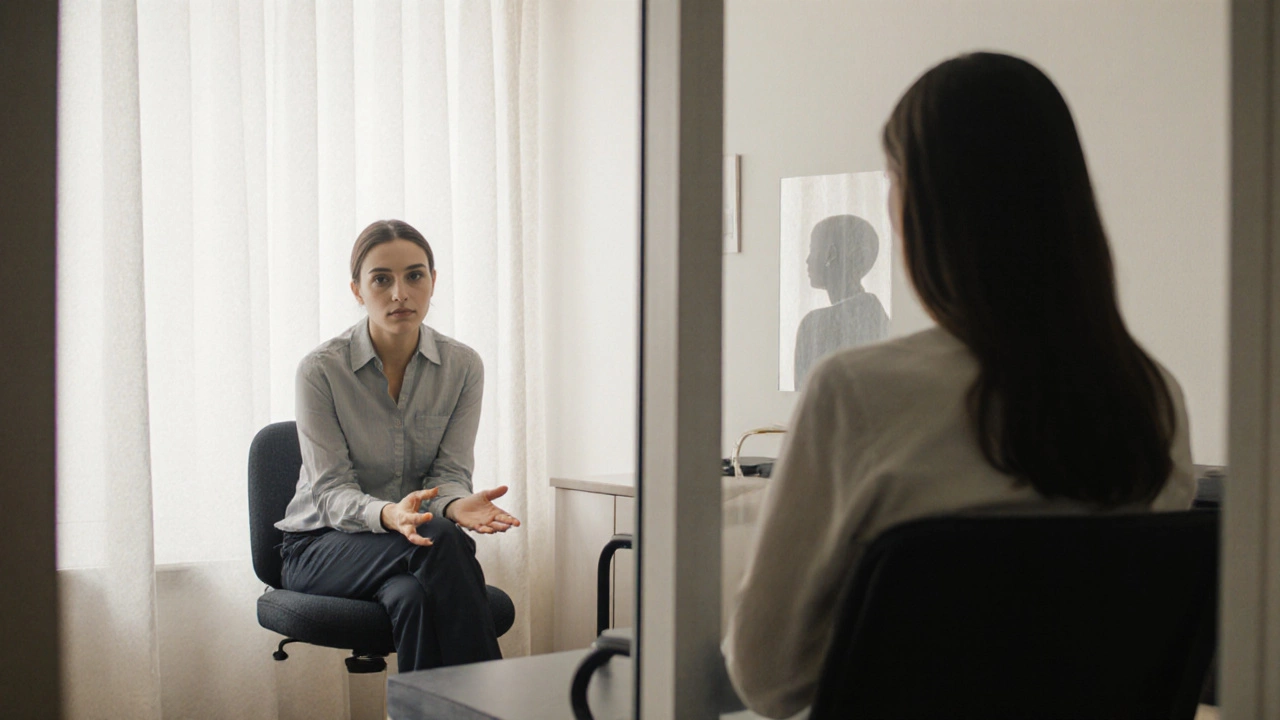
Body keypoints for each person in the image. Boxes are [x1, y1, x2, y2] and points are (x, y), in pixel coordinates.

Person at [724, 52, 1196, 719]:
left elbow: (767, 677)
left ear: (927, 206)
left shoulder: (857, 393)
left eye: (894, 178)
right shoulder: (1153, 399)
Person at [275, 219, 521, 673]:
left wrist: (453, 505)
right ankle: (493, 705)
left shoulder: (463, 366)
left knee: (411, 597)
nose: (400, 293)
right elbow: (329, 495)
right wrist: (392, 515)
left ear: (432, 281)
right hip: (320, 546)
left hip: (415, 545)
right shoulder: (320, 370)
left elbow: (448, 474)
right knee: (437, 538)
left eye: (414, 275)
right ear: (357, 290)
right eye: (381, 279)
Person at [793, 213, 889, 388]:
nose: (807, 260)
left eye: (813, 249)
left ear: (831, 254)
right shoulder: (878, 315)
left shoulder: (813, 325)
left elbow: (802, 398)